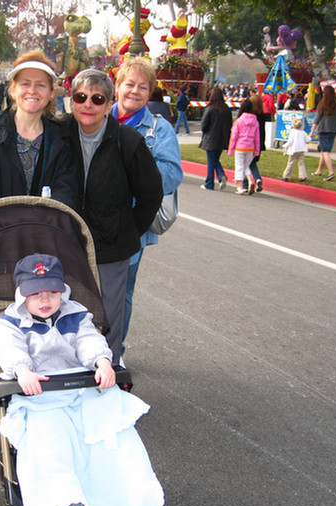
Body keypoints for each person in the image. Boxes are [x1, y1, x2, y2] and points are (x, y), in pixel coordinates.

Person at [0, 253, 165, 506]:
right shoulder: (10, 322)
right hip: (39, 392)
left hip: (81, 387)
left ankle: (125, 485)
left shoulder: (76, 314)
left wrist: (103, 361)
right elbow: (7, 348)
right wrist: (22, 370)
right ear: (22, 295)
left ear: (63, 290)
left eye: (52, 292)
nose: (46, 300)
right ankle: (61, 491)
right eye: (37, 294)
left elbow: (88, 340)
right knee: (49, 436)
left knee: (112, 430)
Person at [67, 68, 163, 363]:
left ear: (110, 105)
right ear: (71, 101)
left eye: (98, 99)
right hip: (67, 243)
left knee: (107, 315)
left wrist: (127, 231)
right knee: (65, 310)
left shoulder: (127, 141)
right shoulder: (58, 134)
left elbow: (151, 194)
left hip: (112, 247)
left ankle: (109, 368)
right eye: (81, 97)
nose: (88, 105)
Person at [111, 56, 182, 342]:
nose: (135, 91)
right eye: (129, 84)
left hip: (131, 225)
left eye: (143, 87)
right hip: (91, 219)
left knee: (121, 291)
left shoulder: (158, 128)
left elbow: (172, 173)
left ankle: (115, 352)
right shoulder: (96, 115)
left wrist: (131, 171)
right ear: (117, 86)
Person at [0, 51, 78, 211]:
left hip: (45, 230)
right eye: (25, 84)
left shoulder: (61, 139)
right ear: (13, 90)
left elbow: (67, 188)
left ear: (51, 93)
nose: (32, 90)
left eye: (40, 85)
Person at [199, 86, 232, 191]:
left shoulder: (210, 109)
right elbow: (229, 124)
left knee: (211, 161)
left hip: (211, 138)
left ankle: (209, 183)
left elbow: (204, 125)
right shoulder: (227, 109)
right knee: (215, 160)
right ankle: (221, 175)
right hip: (223, 139)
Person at [310, 85, 336, 181]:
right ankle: (318, 171)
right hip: (333, 130)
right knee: (324, 151)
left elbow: (317, 117)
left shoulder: (322, 103)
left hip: (324, 129)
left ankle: (330, 172)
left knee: (325, 152)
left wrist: (312, 131)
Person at [227, 97, 260, 195]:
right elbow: (257, 138)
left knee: (239, 166)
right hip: (251, 147)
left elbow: (234, 136)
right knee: (246, 166)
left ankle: (240, 187)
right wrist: (257, 151)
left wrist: (230, 149)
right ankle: (250, 181)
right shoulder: (255, 121)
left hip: (240, 146)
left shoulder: (238, 121)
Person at [281, 117, 311, 181]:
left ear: (293, 125)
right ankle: (303, 176)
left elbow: (290, 142)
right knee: (301, 163)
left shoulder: (293, 133)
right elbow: (308, 140)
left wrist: (285, 146)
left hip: (294, 150)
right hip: (301, 150)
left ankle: (286, 176)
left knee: (290, 163)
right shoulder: (303, 133)